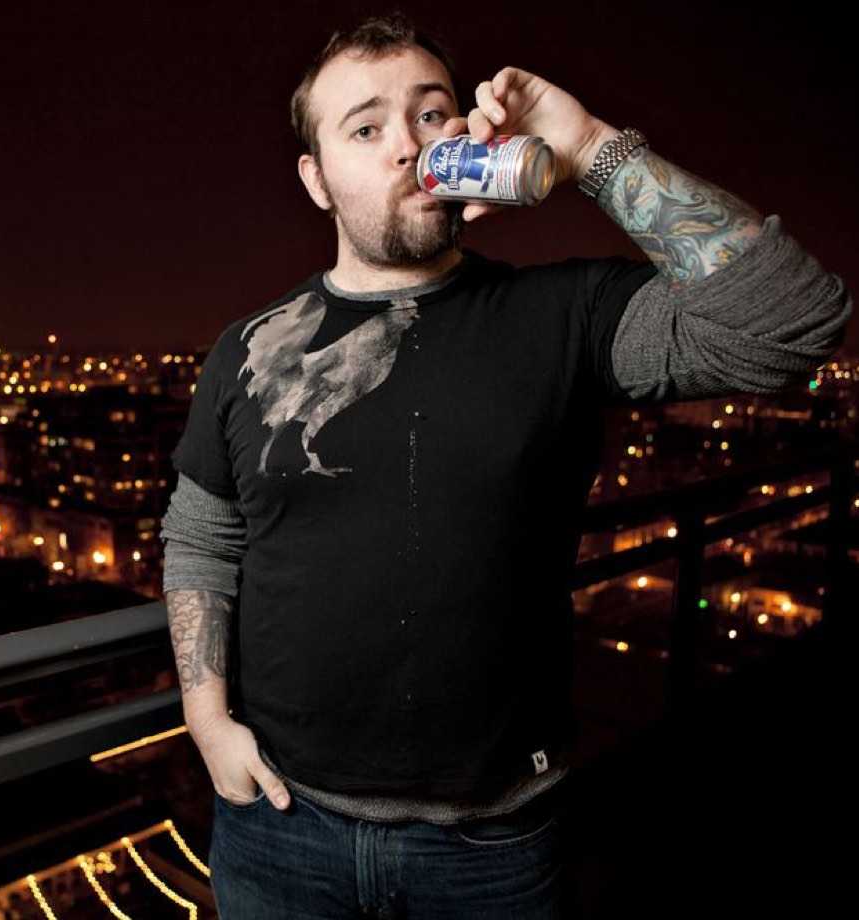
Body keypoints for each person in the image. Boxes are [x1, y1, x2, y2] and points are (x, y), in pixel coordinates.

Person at [159, 8, 852, 919]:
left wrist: (588, 144)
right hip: (281, 828)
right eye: (364, 128)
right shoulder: (247, 350)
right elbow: (202, 534)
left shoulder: (563, 314)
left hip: (491, 846)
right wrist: (209, 725)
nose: (407, 145)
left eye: (431, 114)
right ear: (316, 178)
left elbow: (792, 324)